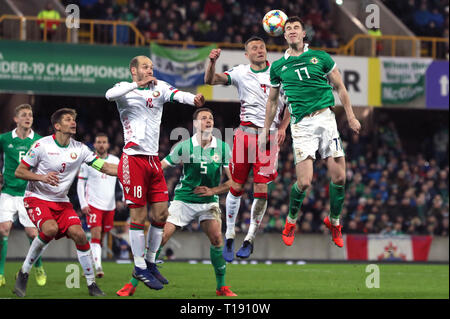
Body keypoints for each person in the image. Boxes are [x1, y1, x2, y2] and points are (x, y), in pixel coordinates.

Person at [105, 55, 205, 291]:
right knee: (138, 217)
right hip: (133, 158)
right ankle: (139, 267)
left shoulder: (159, 87)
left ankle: (149, 262)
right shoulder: (124, 89)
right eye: (145, 66)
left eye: (151, 66)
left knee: (161, 215)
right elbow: (109, 95)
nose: (150, 70)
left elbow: (178, 94)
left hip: (152, 160)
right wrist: (136, 85)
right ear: (134, 70)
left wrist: (194, 99)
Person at [260, 16, 361, 248]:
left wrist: (351, 115)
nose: (292, 31)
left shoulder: (321, 57)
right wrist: (268, 129)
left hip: (326, 119)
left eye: (296, 28)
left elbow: (340, 87)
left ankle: (334, 221)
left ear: (304, 33)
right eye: (288, 29)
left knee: (340, 177)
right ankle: (291, 221)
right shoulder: (277, 67)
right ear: (283, 35)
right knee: (304, 182)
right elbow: (273, 102)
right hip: (301, 124)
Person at [117, 107, 237, 297]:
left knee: (216, 238)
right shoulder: (184, 146)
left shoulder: (223, 148)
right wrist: (139, 177)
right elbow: (160, 167)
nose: (208, 121)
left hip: (209, 200)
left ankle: (221, 287)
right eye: (204, 118)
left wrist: (213, 191)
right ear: (196, 124)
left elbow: (234, 181)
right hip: (184, 200)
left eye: (211, 118)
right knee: (161, 238)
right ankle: (132, 283)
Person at [13, 108, 118, 297]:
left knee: (80, 234)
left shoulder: (80, 149)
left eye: (74, 120)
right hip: (37, 198)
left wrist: (132, 172)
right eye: (68, 119)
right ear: (57, 126)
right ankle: (24, 271)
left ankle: (92, 284)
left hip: (61, 201)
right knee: (50, 229)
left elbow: (106, 167)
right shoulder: (41, 145)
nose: (73, 122)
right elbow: (19, 172)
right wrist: (42, 177)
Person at [204, 36, 290, 262]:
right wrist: (212, 62)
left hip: (269, 137)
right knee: (236, 186)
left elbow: (290, 103)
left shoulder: (280, 72)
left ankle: (250, 238)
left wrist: (282, 127)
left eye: (262, 47)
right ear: (247, 54)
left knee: (262, 190)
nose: (259, 50)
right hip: (244, 135)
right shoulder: (241, 72)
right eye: (254, 48)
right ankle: (230, 234)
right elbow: (211, 80)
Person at [0, 104, 46, 288]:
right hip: (8, 192)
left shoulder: (38, 141)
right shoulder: (4, 139)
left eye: (30, 115)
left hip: (28, 193)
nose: (28, 118)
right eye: (24, 115)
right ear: (16, 119)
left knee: (32, 233)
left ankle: (39, 267)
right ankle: (1, 273)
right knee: (3, 230)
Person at [77, 132, 122, 278]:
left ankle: (88, 266)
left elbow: (122, 180)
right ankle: (98, 267)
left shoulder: (115, 160)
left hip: (110, 206)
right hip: (93, 204)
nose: (101, 144)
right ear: (94, 145)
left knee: (100, 238)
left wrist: (125, 197)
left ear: (108, 145)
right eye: (99, 142)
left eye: (104, 142)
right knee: (96, 236)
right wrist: (83, 203)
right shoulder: (88, 161)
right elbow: (80, 183)